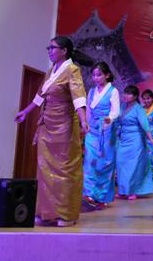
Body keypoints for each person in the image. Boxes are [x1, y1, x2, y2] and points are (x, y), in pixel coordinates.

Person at [15, 36, 91, 227]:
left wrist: (83, 120)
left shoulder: (72, 70)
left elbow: (78, 97)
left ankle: (66, 214)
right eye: (48, 47)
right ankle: (46, 212)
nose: (49, 51)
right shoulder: (51, 71)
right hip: (47, 124)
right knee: (44, 169)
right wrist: (25, 112)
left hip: (65, 125)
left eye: (52, 47)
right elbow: (40, 96)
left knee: (65, 169)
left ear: (64, 51)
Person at [82, 61, 120, 211]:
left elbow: (115, 111)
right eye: (93, 75)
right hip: (93, 131)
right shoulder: (91, 91)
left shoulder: (113, 91)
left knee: (104, 164)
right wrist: (86, 124)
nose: (96, 78)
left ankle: (102, 197)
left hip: (107, 130)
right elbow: (88, 110)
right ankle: (89, 194)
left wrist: (109, 119)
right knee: (90, 161)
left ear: (107, 75)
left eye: (99, 75)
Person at [114, 85, 153, 200]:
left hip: (135, 141)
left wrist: (151, 139)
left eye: (129, 94)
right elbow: (117, 121)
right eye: (125, 93)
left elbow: (145, 124)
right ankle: (123, 191)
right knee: (121, 164)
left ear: (135, 96)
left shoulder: (138, 108)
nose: (126, 96)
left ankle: (133, 191)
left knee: (133, 166)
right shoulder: (123, 106)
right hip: (123, 139)